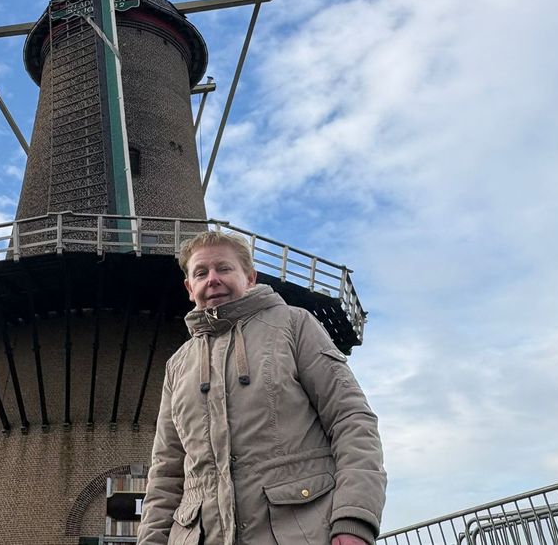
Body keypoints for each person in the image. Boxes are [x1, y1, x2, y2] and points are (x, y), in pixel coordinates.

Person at [138, 231, 386, 545]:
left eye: (224, 268)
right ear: (190, 287)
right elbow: (166, 471)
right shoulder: (178, 365)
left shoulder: (294, 325)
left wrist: (354, 519)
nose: (212, 279)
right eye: (201, 272)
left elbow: (351, 420)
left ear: (250, 277)